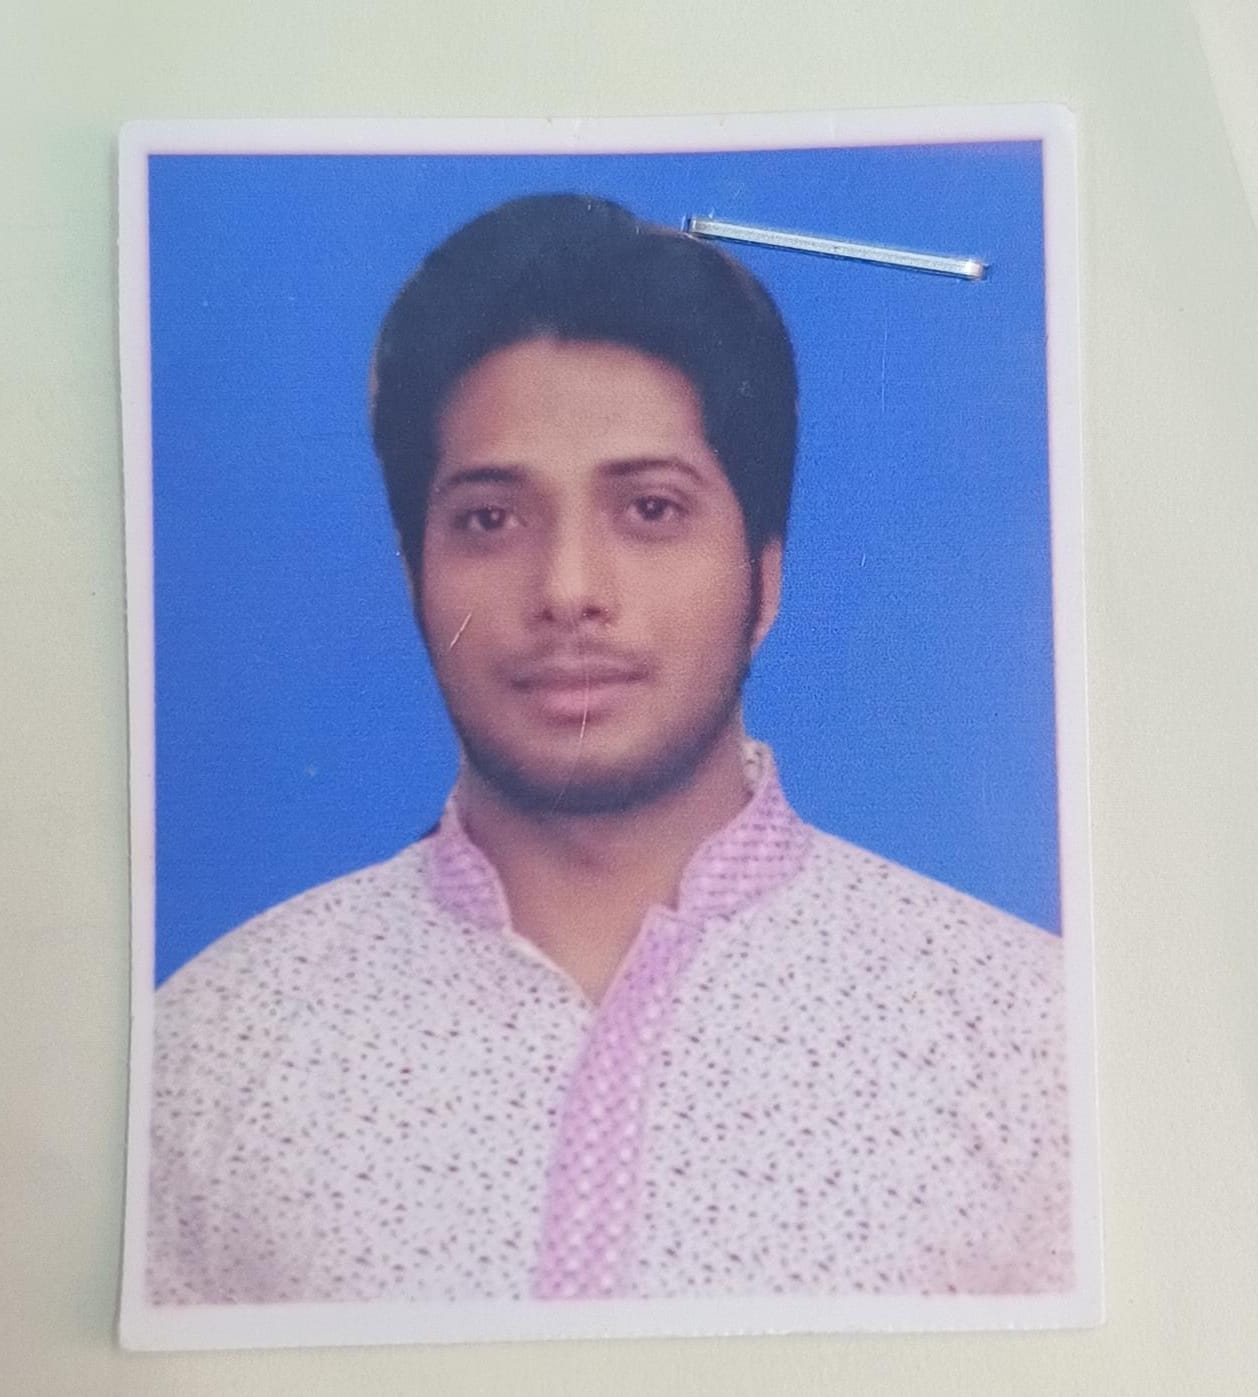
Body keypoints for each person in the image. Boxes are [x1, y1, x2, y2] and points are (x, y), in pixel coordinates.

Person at [146, 194, 1071, 1306]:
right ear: (414, 573)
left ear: (765, 574)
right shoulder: (211, 1049)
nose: (569, 590)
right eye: (491, 519)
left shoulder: (1028, 1037)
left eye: (650, 509)